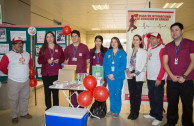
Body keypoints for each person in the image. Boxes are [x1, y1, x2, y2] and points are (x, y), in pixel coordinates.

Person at [163, 22, 194, 126]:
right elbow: (165, 62)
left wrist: (184, 76)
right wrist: (171, 76)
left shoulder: (190, 43)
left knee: (187, 105)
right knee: (172, 105)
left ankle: (188, 123)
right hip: (172, 81)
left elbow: (193, 61)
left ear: (182, 31)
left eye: (176, 30)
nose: (174, 32)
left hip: (187, 80)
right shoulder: (167, 46)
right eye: (172, 30)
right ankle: (171, 122)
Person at [0, 37, 33, 124]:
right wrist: (10, 72)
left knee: (25, 98)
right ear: (13, 45)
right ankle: (14, 115)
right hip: (14, 81)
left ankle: (24, 113)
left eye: (21, 43)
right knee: (13, 99)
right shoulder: (8, 55)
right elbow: (2, 67)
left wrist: (27, 72)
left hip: (25, 80)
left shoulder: (27, 54)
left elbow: (30, 64)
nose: (20, 45)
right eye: (17, 43)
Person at [38, 31, 64, 110]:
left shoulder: (59, 47)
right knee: (47, 92)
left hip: (56, 74)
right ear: (46, 39)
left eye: (51, 36)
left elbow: (63, 58)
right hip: (46, 74)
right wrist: (47, 61)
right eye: (48, 37)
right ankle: (48, 107)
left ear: (54, 38)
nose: (49, 38)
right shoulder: (43, 48)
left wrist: (58, 60)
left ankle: (56, 108)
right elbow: (39, 61)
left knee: (55, 92)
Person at [144, 33, 165, 126]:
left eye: (153, 38)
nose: (151, 40)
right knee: (151, 97)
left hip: (157, 79)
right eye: (150, 39)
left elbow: (164, 65)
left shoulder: (162, 48)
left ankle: (159, 117)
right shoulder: (150, 49)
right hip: (150, 78)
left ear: (158, 39)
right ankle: (153, 114)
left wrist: (159, 78)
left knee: (158, 98)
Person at [64, 30, 90, 107]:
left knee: (81, 90)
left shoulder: (84, 47)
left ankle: (81, 106)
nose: (74, 37)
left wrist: (82, 65)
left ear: (79, 37)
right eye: (72, 36)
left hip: (82, 73)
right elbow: (65, 61)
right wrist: (66, 63)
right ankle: (73, 106)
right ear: (71, 37)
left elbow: (88, 60)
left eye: (76, 36)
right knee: (72, 91)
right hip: (72, 73)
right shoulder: (68, 48)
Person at [103, 37, 126, 118]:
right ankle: (112, 110)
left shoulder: (122, 53)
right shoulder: (108, 52)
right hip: (109, 77)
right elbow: (105, 65)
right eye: (112, 42)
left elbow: (123, 67)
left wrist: (114, 75)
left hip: (118, 78)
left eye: (115, 42)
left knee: (117, 94)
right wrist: (108, 74)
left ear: (118, 43)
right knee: (111, 94)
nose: (113, 43)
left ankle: (117, 111)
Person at [126, 34, 147, 120]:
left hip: (138, 75)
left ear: (140, 41)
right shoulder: (130, 51)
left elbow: (142, 66)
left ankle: (136, 112)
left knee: (137, 95)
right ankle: (132, 112)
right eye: (134, 39)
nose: (135, 41)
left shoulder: (144, 52)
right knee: (132, 94)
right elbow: (127, 63)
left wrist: (134, 74)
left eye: (137, 40)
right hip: (130, 75)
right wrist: (127, 72)